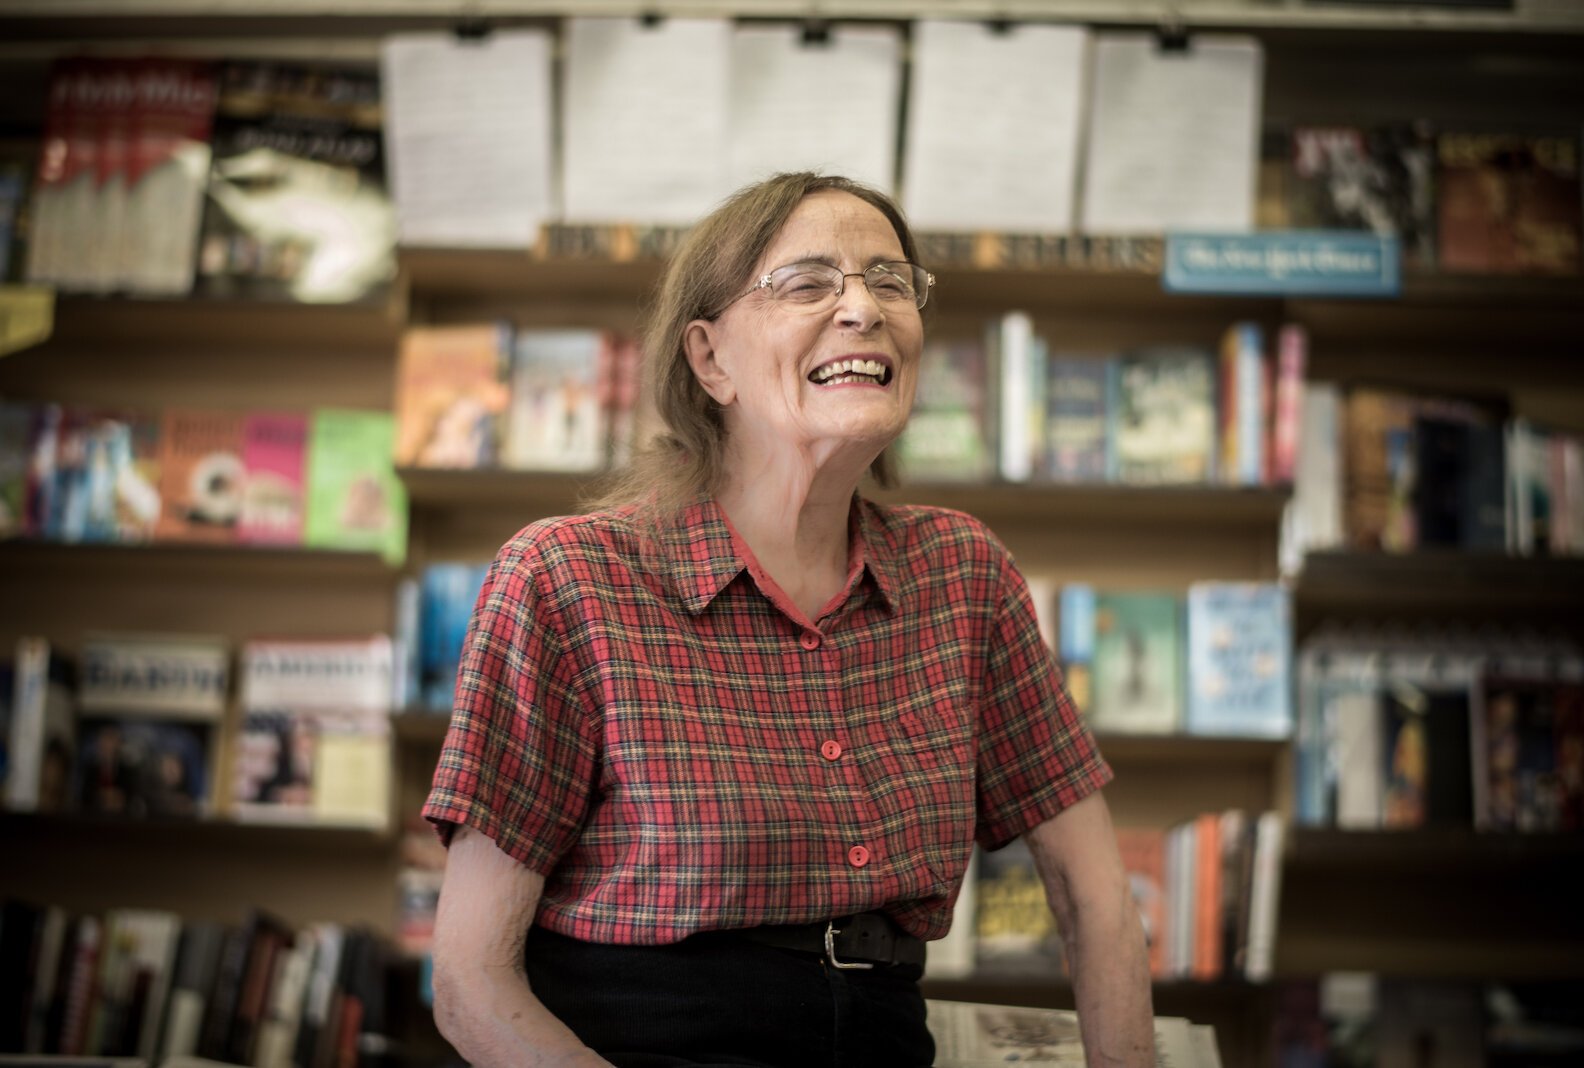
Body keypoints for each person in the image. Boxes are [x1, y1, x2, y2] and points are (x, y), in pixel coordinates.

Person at [423, 172, 1154, 1068]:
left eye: (891, 281)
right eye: (807, 284)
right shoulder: (566, 578)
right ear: (710, 360)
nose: (863, 309)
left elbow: (1094, 896)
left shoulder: (966, 574)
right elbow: (469, 983)